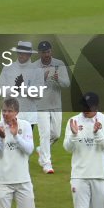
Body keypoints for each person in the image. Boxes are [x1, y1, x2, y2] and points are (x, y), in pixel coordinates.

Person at [0, 41, 42, 152]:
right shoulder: (8, 68)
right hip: (8, 113)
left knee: (24, 147)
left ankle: (21, 168)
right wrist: (12, 90)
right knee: (8, 144)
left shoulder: (37, 70)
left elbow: (40, 93)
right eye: (19, 53)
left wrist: (24, 89)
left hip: (28, 116)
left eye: (24, 53)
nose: (21, 55)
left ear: (30, 55)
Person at [35, 41, 70, 174]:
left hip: (56, 104)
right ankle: (46, 163)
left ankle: (42, 150)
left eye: (48, 51)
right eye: (44, 52)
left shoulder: (59, 64)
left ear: (51, 51)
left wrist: (58, 79)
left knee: (56, 134)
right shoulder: (34, 67)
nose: (46, 55)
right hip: (40, 106)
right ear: (39, 53)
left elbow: (66, 84)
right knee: (44, 134)